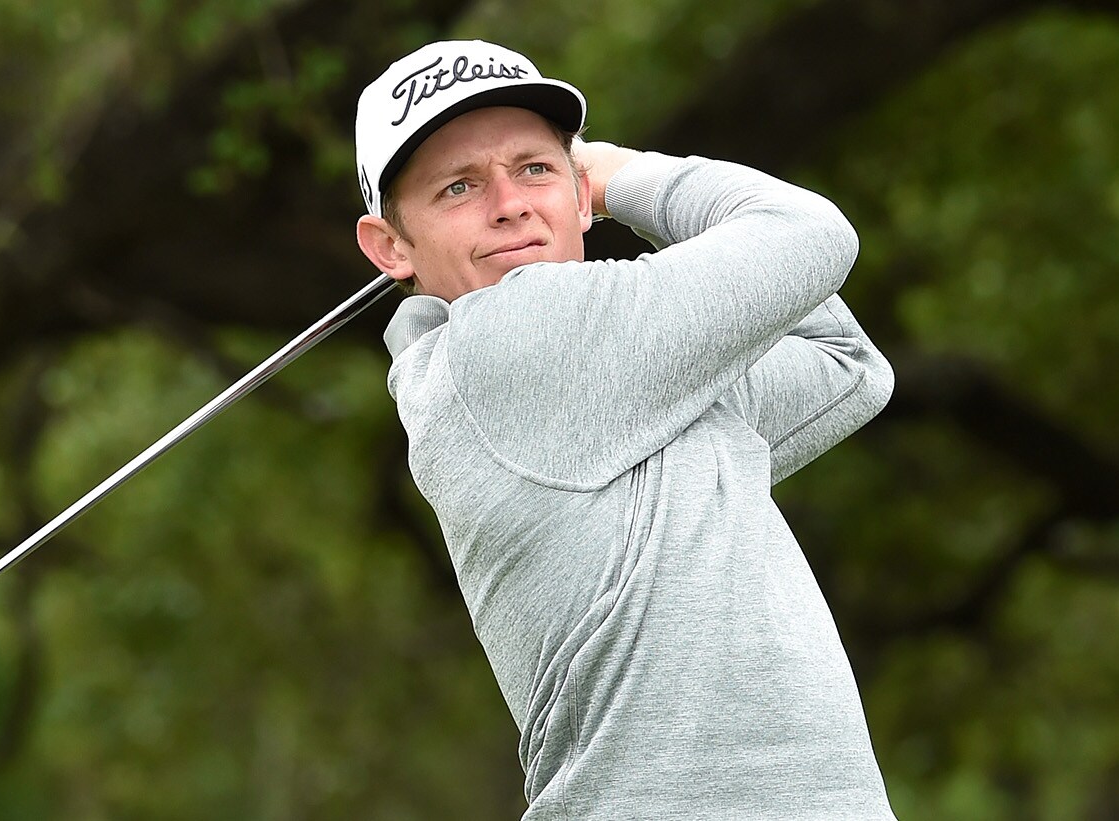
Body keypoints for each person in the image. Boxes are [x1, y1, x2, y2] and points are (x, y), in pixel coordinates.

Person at [353, 40, 898, 819]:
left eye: (533, 169)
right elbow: (810, 233)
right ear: (390, 247)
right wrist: (625, 178)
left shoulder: (623, 378)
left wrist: (591, 186)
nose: (509, 203)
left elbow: (844, 363)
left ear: (572, 194)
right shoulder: (512, 341)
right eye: (458, 186)